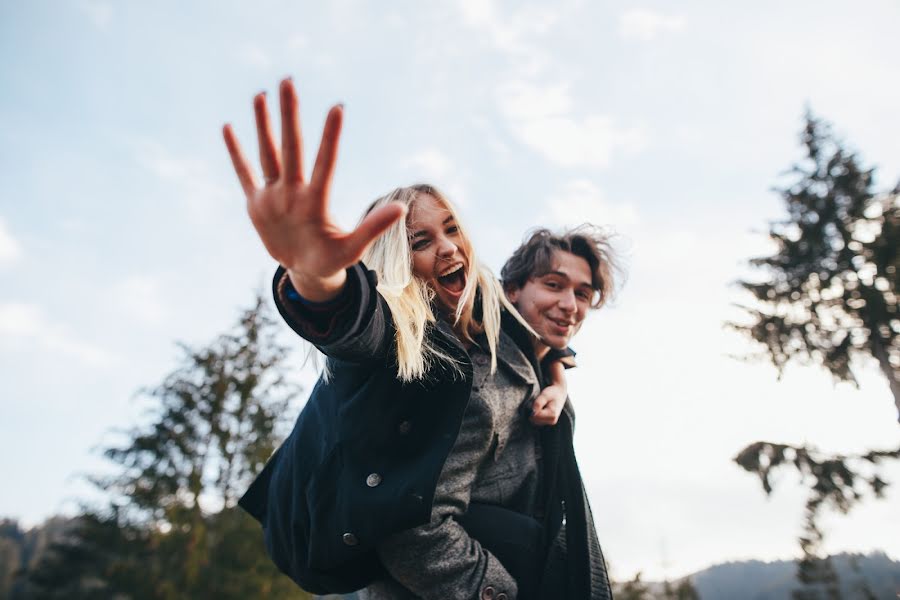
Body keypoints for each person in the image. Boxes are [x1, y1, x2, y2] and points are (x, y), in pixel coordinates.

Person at [223, 78, 616, 599]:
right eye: (422, 241)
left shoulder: (495, 324)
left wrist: (559, 376)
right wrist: (316, 279)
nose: (449, 248)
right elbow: (354, 326)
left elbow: (545, 335)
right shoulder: (403, 348)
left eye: (453, 229)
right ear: (396, 265)